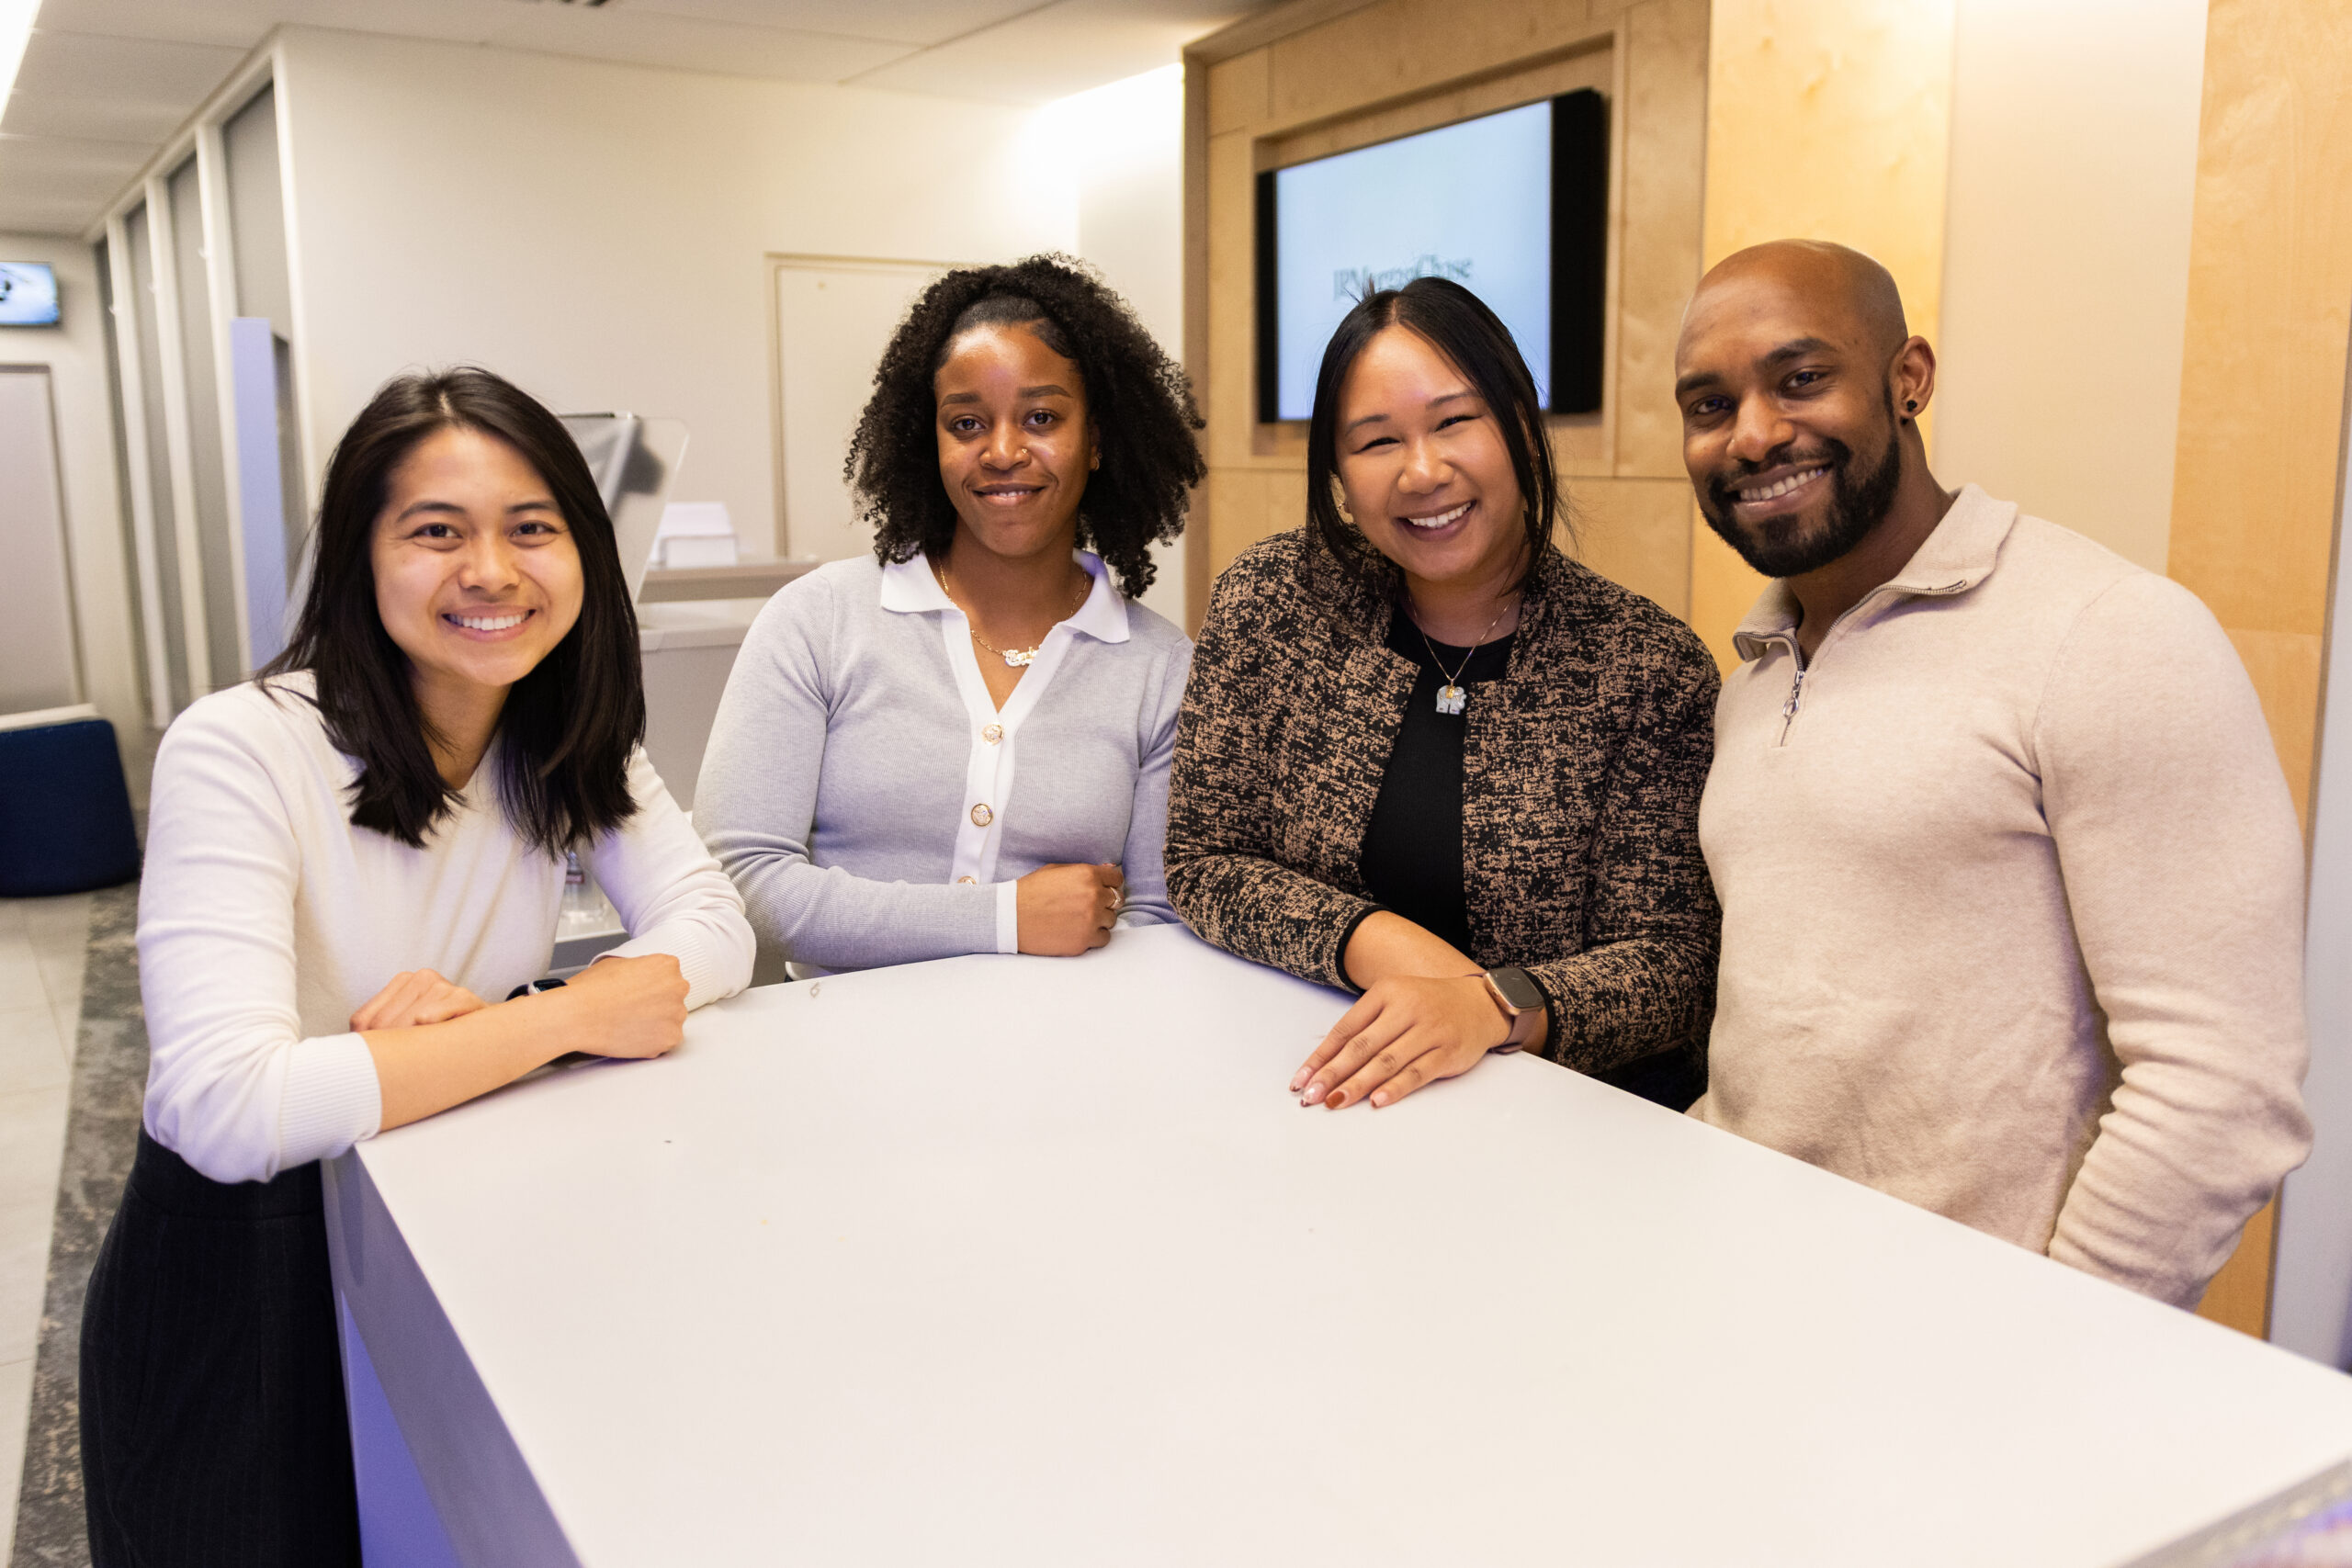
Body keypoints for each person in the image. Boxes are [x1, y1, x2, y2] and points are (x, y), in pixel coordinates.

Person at [80, 368, 755, 1564]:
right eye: (437, 530)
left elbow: (710, 921)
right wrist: (559, 1016)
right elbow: (224, 1104)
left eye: (532, 528)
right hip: (240, 1270)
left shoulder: (561, 736)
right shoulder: (243, 746)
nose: (492, 569)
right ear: (359, 558)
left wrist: (522, 1011)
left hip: (443, 1215)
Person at [1673, 239, 2311, 1307]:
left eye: (1800, 379)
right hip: (1752, 1294)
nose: (1754, 434)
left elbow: (2222, 1088)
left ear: (1908, 378)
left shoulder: (2110, 635)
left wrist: (2050, 1338)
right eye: (1708, 404)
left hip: (1979, 1352)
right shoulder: (1754, 668)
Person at [1165, 277, 1721, 1112]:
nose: (1422, 471)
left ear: (1523, 430)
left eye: (1456, 422)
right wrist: (1375, 942)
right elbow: (1204, 860)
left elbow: (1674, 964)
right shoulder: (1273, 602)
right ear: (1340, 474)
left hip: (1560, 1131)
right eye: (1377, 440)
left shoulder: (1647, 666)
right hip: (1303, 1081)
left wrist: (1493, 1005)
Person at [697, 255, 1202, 974]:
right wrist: (1006, 916)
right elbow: (740, 888)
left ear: (1096, 441)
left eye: (1042, 417)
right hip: (830, 1061)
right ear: (927, 442)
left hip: (1055, 1060)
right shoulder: (818, 621)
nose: (1002, 451)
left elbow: (1153, 927)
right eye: (966, 422)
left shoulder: (1161, 669)